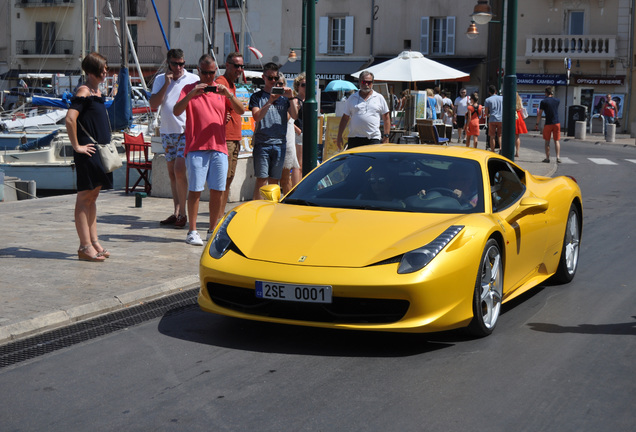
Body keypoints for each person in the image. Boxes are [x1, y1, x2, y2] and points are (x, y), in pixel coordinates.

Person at [173, 54, 245, 246]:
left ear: (216, 71)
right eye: (205, 73)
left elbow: (240, 110)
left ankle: (212, 230)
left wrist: (228, 94)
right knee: (195, 190)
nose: (208, 77)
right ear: (198, 71)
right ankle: (192, 231)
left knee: (218, 190)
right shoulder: (189, 89)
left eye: (212, 73)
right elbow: (176, 111)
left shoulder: (221, 91)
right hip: (196, 147)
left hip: (219, 147)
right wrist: (191, 95)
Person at [65, 52, 112, 262]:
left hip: (99, 151)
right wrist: (77, 146)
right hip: (89, 152)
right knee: (84, 199)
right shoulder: (84, 92)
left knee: (92, 198)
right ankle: (84, 246)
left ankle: (94, 242)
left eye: (106, 68)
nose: (105, 72)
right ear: (92, 71)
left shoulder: (97, 92)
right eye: (102, 69)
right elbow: (70, 119)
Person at [149, 48, 200, 228]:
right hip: (167, 131)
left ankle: (184, 214)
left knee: (179, 170)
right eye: (175, 64)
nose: (179, 67)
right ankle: (177, 211)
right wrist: (166, 84)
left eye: (182, 64)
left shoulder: (193, 79)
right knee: (172, 173)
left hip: (185, 130)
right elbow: (154, 104)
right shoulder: (161, 80)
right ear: (168, 64)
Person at [249, 62, 298, 200]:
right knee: (261, 180)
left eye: (275, 78)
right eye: (269, 78)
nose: (273, 81)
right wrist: (270, 100)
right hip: (262, 143)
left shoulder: (284, 97)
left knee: (274, 182)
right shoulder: (257, 97)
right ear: (263, 77)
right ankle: (256, 211)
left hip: (279, 143)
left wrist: (292, 97)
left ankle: (271, 211)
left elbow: (294, 116)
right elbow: (257, 117)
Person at [215, 52, 246, 217]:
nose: (239, 69)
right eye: (236, 66)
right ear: (227, 65)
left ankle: (219, 215)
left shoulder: (231, 85)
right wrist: (220, 114)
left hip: (234, 137)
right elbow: (211, 99)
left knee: (228, 180)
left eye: (241, 66)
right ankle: (218, 217)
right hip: (226, 138)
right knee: (223, 181)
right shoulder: (221, 82)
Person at [336, 71, 390, 150]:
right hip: (354, 138)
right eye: (363, 82)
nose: (366, 84)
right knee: (354, 162)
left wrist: (386, 136)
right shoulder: (352, 98)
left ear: (372, 83)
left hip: (373, 139)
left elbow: (386, 118)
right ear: (359, 82)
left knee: (372, 162)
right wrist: (339, 136)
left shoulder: (379, 98)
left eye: (369, 82)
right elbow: (345, 118)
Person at [279, 74, 300, 194]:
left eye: (281, 84)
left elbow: (291, 116)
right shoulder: (271, 98)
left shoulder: (289, 99)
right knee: (275, 178)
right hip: (275, 139)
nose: (278, 86)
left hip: (287, 141)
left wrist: (289, 97)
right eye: (276, 84)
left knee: (285, 178)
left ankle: (289, 201)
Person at [535, 86, 561, 163]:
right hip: (557, 122)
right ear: (552, 93)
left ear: (545, 93)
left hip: (548, 123)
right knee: (556, 141)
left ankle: (547, 158)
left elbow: (540, 113)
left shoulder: (543, 102)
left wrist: (537, 123)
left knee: (547, 141)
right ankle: (558, 157)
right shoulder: (557, 100)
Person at [293, 73, 306, 177]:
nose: (305, 87)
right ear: (298, 86)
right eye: (303, 85)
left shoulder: (310, 101)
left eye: (307, 84)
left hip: (308, 134)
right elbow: (289, 119)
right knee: (299, 164)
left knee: (306, 163)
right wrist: (298, 130)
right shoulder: (296, 101)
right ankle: (296, 189)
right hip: (299, 134)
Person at [484, 85, 503, 152]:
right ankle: (500, 148)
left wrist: (488, 115)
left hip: (492, 119)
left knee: (492, 136)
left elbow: (486, 113)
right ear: (496, 91)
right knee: (500, 135)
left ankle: (492, 150)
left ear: (489, 92)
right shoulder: (502, 98)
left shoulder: (487, 100)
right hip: (501, 119)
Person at [515, 92, 528, 158]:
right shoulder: (519, 100)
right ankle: (517, 152)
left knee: (510, 136)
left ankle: (510, 150)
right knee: (517, 136)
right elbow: (521, 108)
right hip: (518, 116)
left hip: (513, 116)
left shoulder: (510, 99)